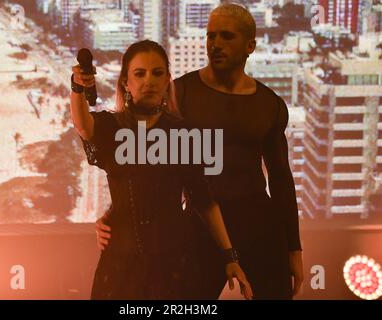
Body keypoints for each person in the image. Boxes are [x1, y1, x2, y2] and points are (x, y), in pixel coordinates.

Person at [96, 4, 304, 300]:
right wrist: (114, 213)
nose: (215, 44)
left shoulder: (270, 104)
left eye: (226, 36)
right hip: (197, 229)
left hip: (260, 225)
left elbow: (282, 179)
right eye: (211, 36)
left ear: (250, 46)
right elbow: (141, 162)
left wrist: (294, 248)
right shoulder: (178, 93)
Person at [70, 40, 253, 300]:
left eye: (157, 73)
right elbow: (83, 126)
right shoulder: (113, 127)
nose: (149, 81)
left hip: (175, 266)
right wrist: (77, 87)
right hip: (122, 268)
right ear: (126, 82)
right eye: (139, 73)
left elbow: (204, 201)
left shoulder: (183, 134)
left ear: (168, 80)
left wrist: (230, 256)